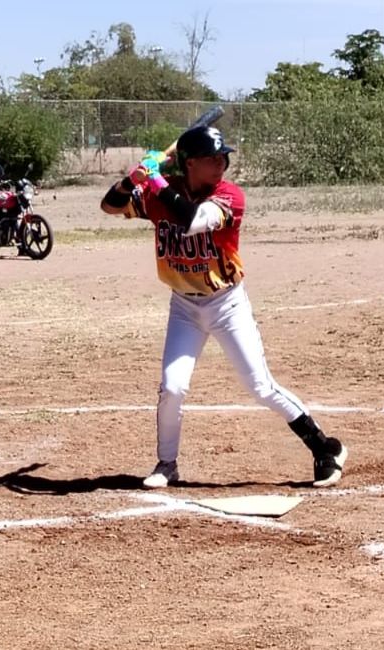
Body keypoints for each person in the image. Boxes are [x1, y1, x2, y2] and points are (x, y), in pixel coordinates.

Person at [99, 126, 348, 489]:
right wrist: (130, 180)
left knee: (259, 385)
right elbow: (110, 205)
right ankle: (167, 464)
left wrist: (153, 179)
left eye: (223, 157)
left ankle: (326, 448)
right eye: (211, 159)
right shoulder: (162, 192)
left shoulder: (228, 196)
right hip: (184, 305)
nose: (221, 164)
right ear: (190, 164)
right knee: (172, 386)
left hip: (226, 303)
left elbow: (193, 220)